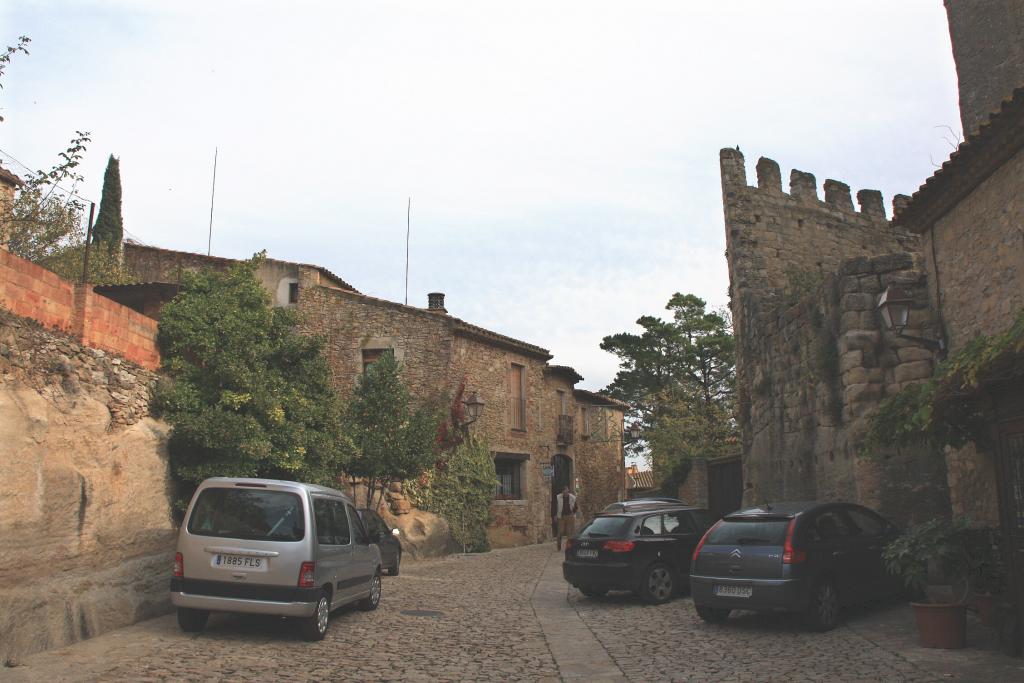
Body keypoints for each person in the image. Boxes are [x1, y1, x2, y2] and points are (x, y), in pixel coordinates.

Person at [553, 485, 577, 551]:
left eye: (567, 490)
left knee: (570, 533)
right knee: (560, 532)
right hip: (561, 516)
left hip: (570, 516)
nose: (566, 492)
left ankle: (569, 547)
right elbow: (554, 506)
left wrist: (573, 513)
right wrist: (555, 515)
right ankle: (558, 546)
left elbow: (576, 506)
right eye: (565, 491)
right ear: (562, 491)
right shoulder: (558, 497)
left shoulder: (572, 497)